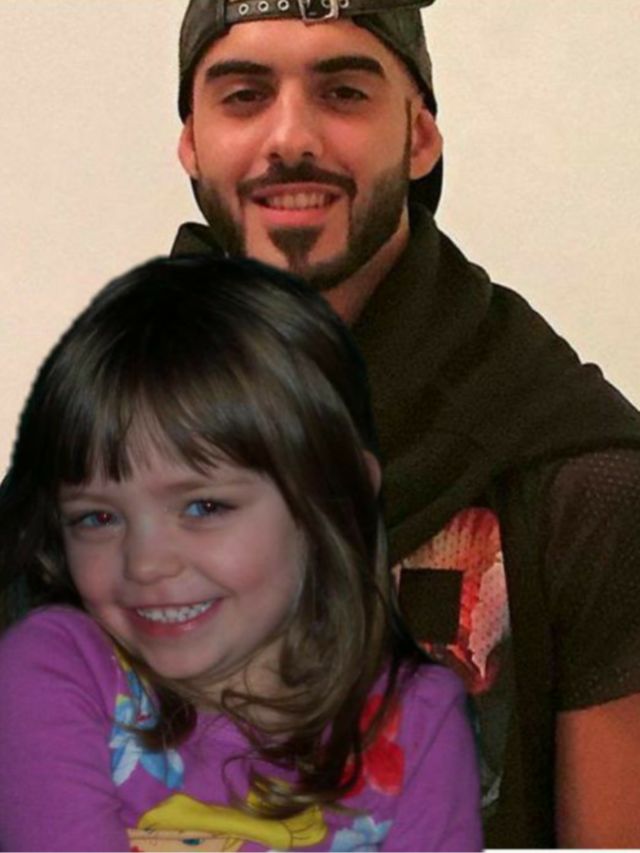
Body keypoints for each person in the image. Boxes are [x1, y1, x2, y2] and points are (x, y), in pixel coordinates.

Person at [167, 0, 640, 847]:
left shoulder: (579, 479)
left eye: (344, 93)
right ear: (192, 143)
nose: (291, 137)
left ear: (420, 137)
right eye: (244, 96)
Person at [0, 255, 482, 852]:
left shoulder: (420, 722)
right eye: (97, 518)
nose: (145, 563)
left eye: (204, 507)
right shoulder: (51, 672)